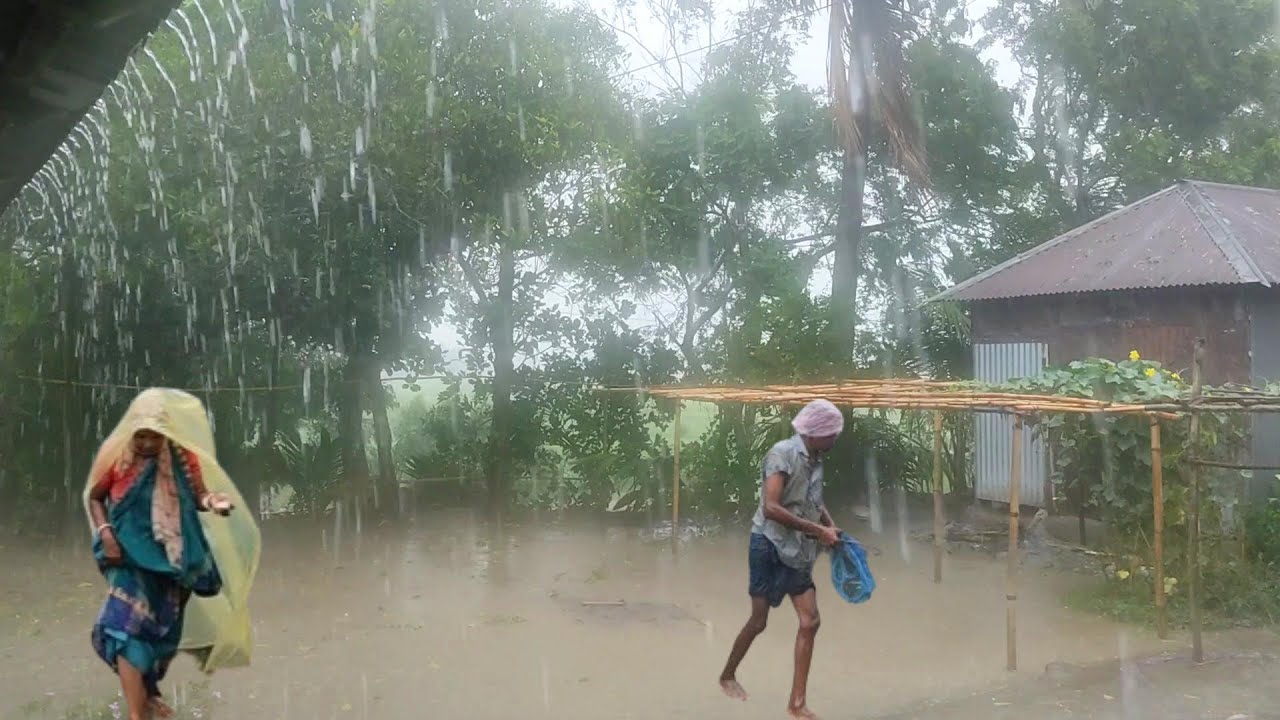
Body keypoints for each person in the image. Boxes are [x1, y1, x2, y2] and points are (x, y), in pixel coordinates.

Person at [84, 389, 258, 720]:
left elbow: (198, 496)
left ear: (166, 433)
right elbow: (96, 497)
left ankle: (148, 697)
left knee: (158, 636)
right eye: (142, 435)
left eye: (155, 436)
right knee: (118, 626)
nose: (148, 443)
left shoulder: (181, 457)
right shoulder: (116, 457)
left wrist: (213, 503)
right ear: (132, 431)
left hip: (170, 563)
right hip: (128, 559)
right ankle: (138, 713)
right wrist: (105, 533)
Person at [718, 398, 845, 720]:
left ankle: (797, 704)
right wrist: (818, 530)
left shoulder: (816, 459)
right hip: (769, 545)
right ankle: (728, 674)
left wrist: (828, 526)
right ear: (814, 433)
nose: (835, 439)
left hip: (799, 550)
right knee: (759, 622)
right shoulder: (782, 454)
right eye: (831, 434)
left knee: (810, 621)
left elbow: (814, 499)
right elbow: (771, 508)